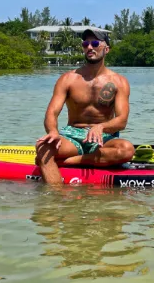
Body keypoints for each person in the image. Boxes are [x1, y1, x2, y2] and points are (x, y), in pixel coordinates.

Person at [35, 27, 134, 186]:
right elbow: (51, 113)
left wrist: (100, 127)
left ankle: (73, 161)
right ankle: (56, 202)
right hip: (72, 137)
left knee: (127, 149)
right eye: (85, 44)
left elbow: (122, 121)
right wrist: (53, 131)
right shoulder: (68, 79)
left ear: (106, 49)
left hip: (103, 139)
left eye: (95, 43)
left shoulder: (119, 82)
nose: (89, 47)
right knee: (43, 149)